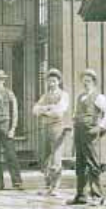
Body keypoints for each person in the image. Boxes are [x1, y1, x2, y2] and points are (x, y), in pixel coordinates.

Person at [69, 69, 106, 206]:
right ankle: (81, 195)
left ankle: (97, 195)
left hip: (90, 134)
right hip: (79, 133)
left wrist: (100, 127)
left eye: (88, 81)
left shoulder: (98, 97)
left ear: (94, 82)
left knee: (93, 163)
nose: (85, 84)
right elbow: (76, 115)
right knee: (80, 164)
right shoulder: (80, 97)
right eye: (83, 81)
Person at [32, 68, 71, 196]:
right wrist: (48, 108)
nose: (51, 84)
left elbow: (59, 111)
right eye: (49, 81)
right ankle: (47, 185)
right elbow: (35, 110)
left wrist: (45, 112)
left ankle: (55, 187)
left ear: (59, 81)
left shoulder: (63, 95)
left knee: (56, 158)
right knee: (45, 157)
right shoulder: (46, 95)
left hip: (58, 128)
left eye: (54, 81)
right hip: (46, 128)